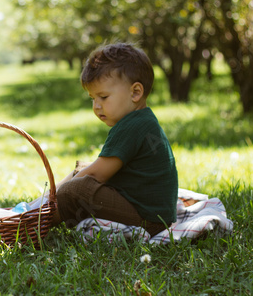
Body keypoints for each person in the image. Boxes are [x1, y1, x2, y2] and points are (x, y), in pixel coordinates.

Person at [51, 42, 178, 236]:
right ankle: (42, 204)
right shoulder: (142, 119)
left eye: (103, 97)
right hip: (153, 214)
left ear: (135, 92)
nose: (96, 106)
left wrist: (62, 192)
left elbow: (96, 176)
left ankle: (34, 222)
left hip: (149, 221)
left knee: (75, 190)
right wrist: (54, 192)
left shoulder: (132, 125)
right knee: (82, 169)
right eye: (92, 98)